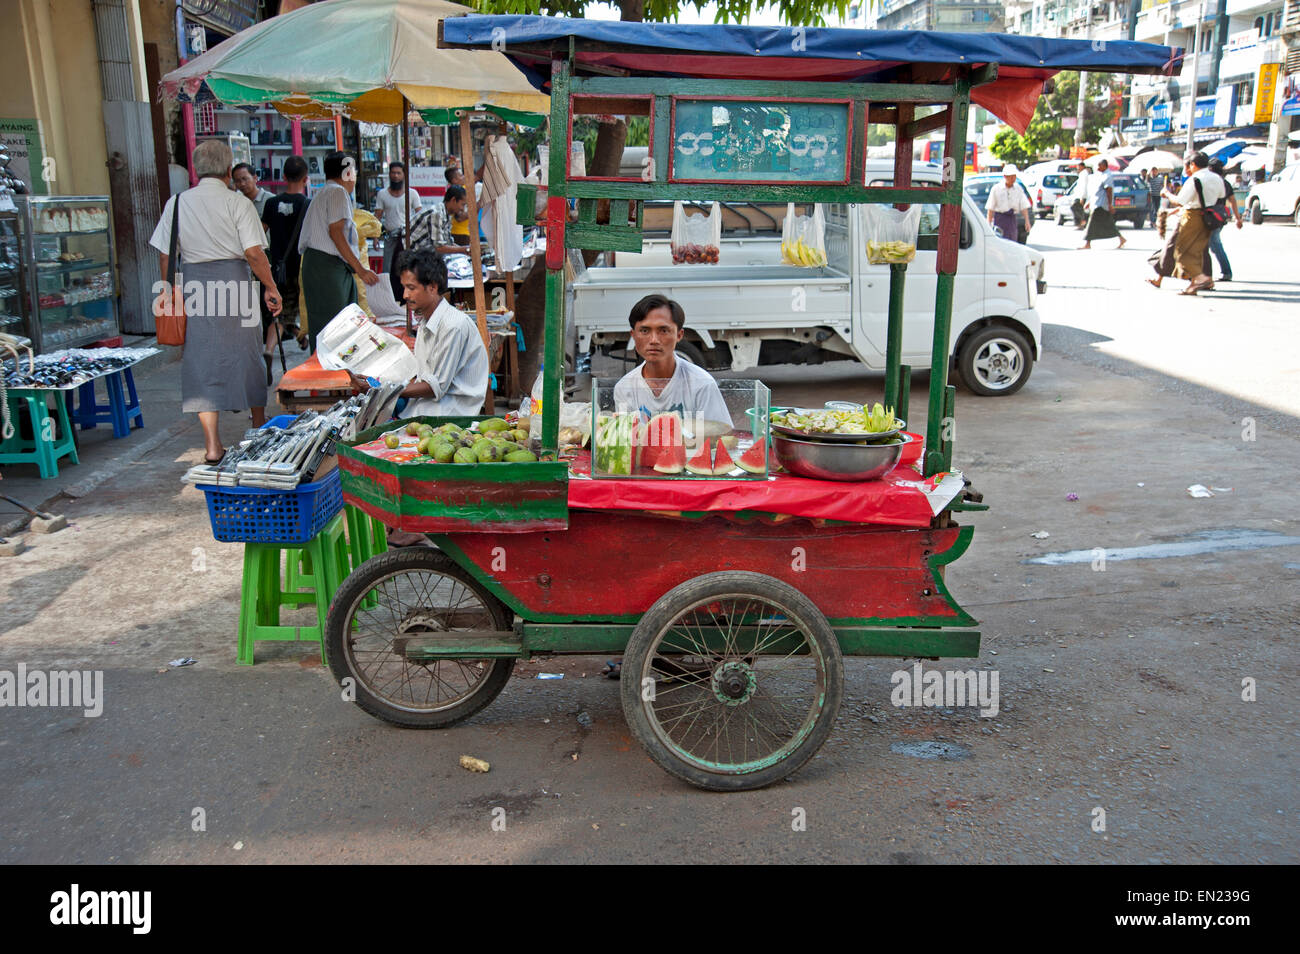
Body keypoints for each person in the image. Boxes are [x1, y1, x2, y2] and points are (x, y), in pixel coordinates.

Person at [149, 139, 281, 463]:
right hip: (235, 283)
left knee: (201, 360)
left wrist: (168, 292)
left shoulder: (177, 203)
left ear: (196, 169)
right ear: (227, 169)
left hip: (196, 286)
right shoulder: (238, 203)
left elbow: (166, 254)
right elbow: (253, 253)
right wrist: (271, 286)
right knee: (247, 354)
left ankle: (211, 446)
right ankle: (260, 426)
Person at [347, 249, 487, 417]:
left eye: (411, 288)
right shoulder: (426, 321)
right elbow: (420, 374)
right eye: (405, 287)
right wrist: (374, 380)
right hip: (426, 404)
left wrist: (381, 388)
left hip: (448, 411)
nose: (405, 295)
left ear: (433, 287)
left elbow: (435, 388)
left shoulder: (453, 326)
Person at [298, 151, 379, 354]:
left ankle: (335, 376)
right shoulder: (337, 192)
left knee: (333, 324)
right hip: (326, 267)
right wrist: (360, 269)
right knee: (336, 326)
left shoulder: (324, 192)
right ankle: (334, 376)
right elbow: (336, 233)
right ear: (349, 173)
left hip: (321, 266)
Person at [613, 294, 730, 430]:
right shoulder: (624, 388)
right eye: (645, 331)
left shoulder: (702, 384)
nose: (654, 340)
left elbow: (721, 436)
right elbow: (626, 441)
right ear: (633, 335)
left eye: (663, 330)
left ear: (679, 335)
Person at [1162, 151, 1224, 296]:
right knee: (1197, 251)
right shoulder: (1217, 178)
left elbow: (1180, 201)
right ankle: (1193, 285)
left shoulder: (1195, 179)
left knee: (1181, 251)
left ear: (1193, 164)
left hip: (1193, 216)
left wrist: (1167, 194)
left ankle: (1200, 277)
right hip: (1210, 216)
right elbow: (1221, 195)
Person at [373, 160, 422, 280]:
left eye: (398, 173)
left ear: (404, 175)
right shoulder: (382, 194)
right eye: (393, 173)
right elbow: (377, 218)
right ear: (389, 174)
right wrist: (375, 237)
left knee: (409, 269)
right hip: (390, 238)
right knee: (388, 270)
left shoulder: (412, 193)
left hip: (407, 238)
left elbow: (420, 216)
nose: (395, 176)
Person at [1206, 157, 1243, 282]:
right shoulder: (1224, 182)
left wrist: (1238, 219)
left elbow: (1232, 200)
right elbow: (1232, 201)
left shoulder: (1211, 181)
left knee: (1215, 244)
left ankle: (1225, 272)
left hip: (1211, 216)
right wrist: (1238, 219)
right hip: (1220, 217)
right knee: (1213, 244)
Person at [1080, 159, 1126, 250]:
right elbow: (1096, 190)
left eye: (1099, 165)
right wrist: (1089, 202)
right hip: (1097, 202)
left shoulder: (1107, 176)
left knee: (1091, 223)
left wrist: (1110, 204)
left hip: (1101, 204)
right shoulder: (1100, 175)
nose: (1097, 168)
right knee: (1108, 223)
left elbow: (1109, 191)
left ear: (1104, 166)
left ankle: (1087, 243)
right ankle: (1121, 239)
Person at [985, 163, 1032, 244]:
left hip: (1012, 219)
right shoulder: (996, 189)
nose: (1013, 178)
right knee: (1000, 242)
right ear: (1005, 176)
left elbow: (1024, 206)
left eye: (1014, 176)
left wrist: (1027, 221)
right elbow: (991, 207)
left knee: (1012, 242)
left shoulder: (1018, 189)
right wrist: (988, 224)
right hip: (1000, 219)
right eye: (1010, 176)